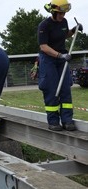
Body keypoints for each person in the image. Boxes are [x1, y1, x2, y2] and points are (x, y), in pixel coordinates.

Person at [38, 0, 83, 131]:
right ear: (53, 12)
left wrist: (74, 30)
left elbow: (65, 34)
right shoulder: (44, 25)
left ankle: (67, 120)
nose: (62, 16)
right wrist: (60, 55)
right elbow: (43, 46)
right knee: (51, 90)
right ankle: (53, 121)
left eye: (64, 13)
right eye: (60, 13)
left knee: (65, 90)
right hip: (48, 59)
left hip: (61, 59)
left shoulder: (63, 22)